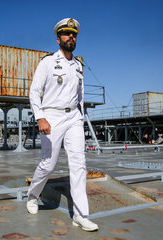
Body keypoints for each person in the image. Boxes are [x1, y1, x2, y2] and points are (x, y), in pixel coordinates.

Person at [26, 18, 98, 232]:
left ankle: (81, 215)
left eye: (74, 34)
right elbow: (34, 91)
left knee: (79, 164)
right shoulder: (47, 62)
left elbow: (80, 95)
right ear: (58, 39)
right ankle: (32, 195)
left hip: (73, 118)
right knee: (49, 163)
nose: (71, 37)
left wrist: (80, 117)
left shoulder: (78, 66)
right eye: (67, 34)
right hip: (52, 117)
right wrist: (40, 117)